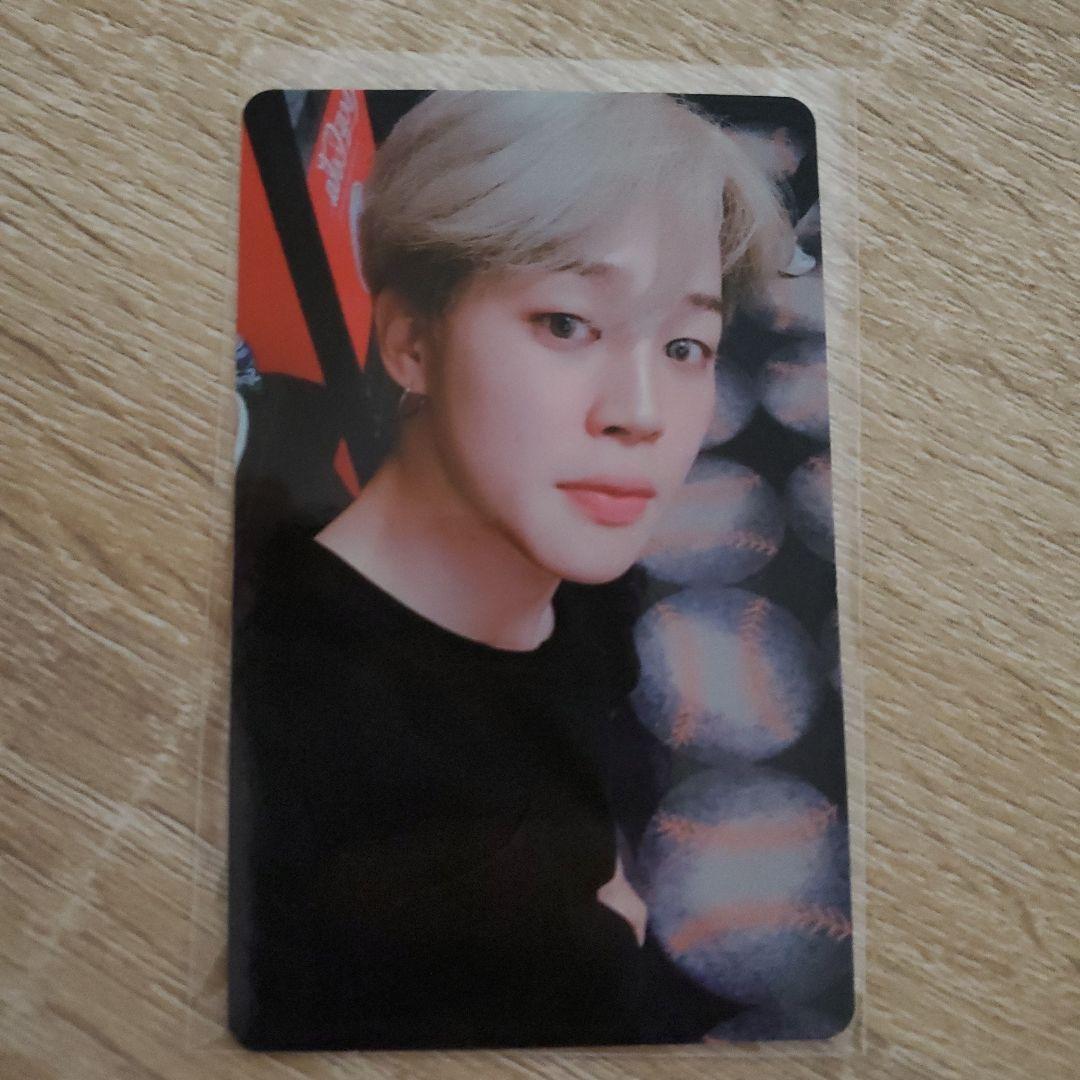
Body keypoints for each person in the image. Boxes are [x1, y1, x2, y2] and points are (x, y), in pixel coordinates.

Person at [228, 90, 790, 1051]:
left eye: (684, 346)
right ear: (411, 343)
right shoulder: (339, 779)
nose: (642, 412)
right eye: (566, 323)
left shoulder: (575, 561)